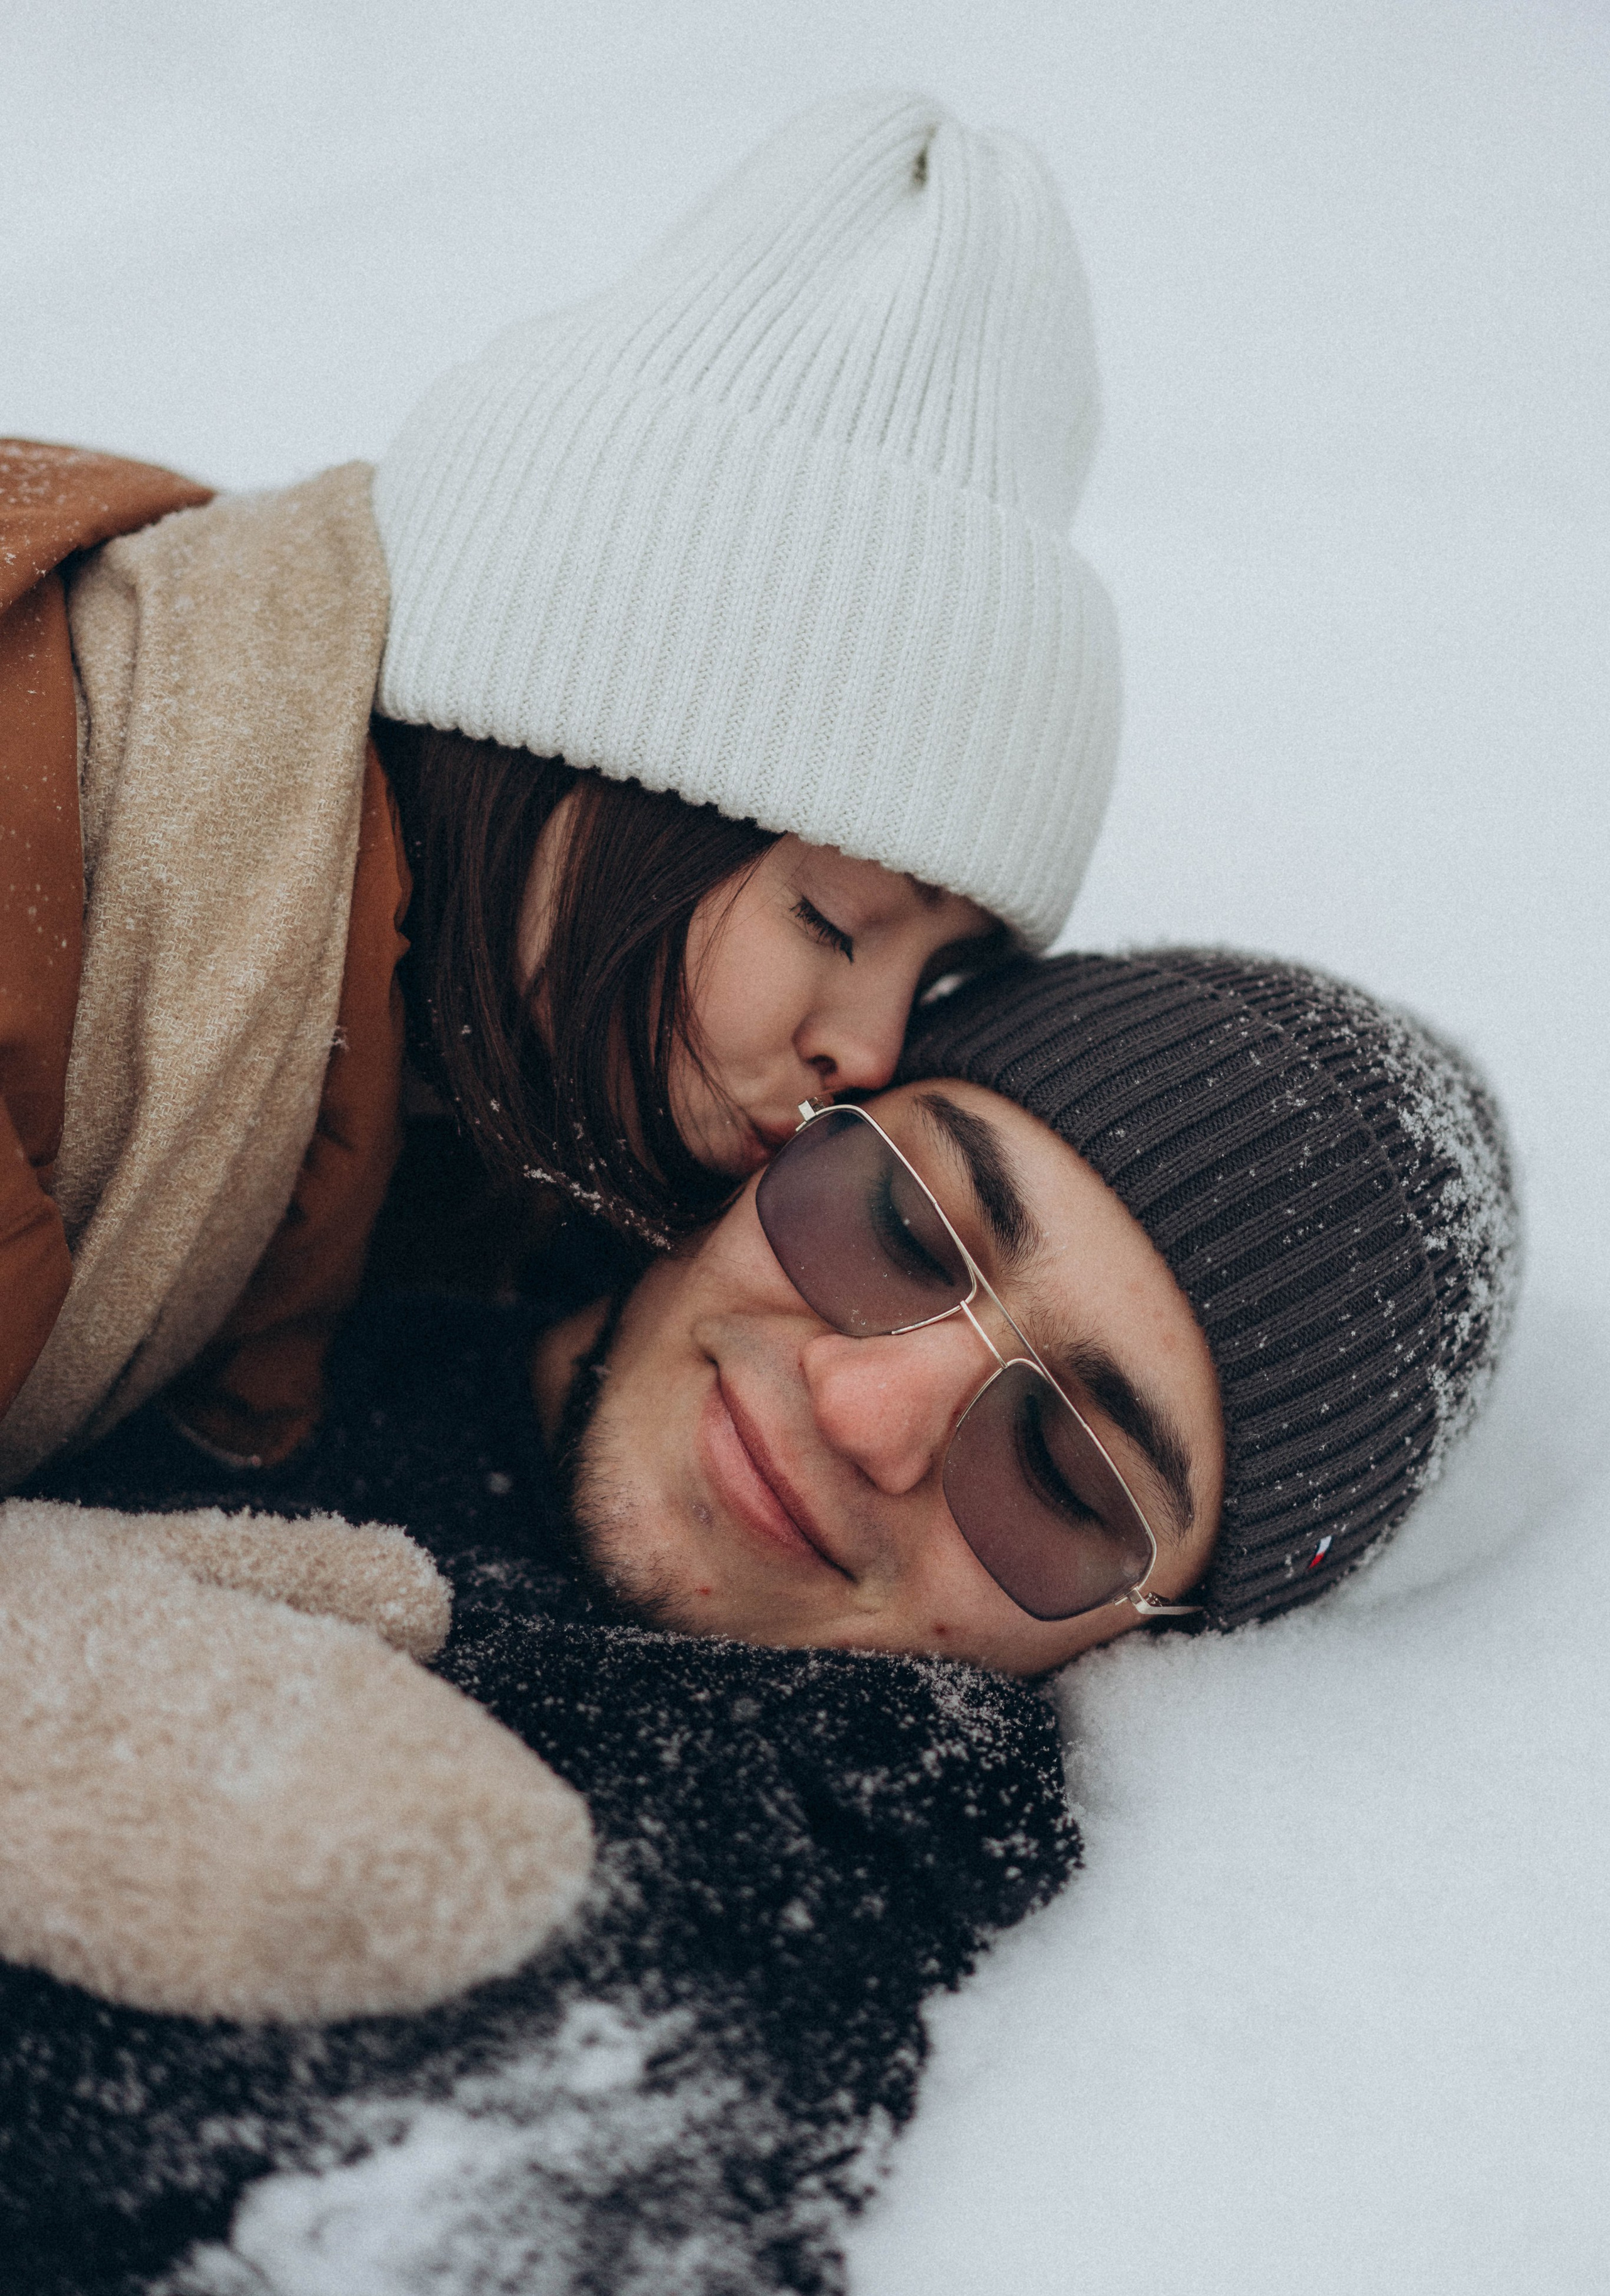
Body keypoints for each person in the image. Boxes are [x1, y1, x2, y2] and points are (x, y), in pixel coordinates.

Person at [0, 944, 1519, 2296]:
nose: (867, 1408)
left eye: (1059, 1472)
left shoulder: (768, 1833)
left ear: (1142, 1643)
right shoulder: (339, 1155)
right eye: (899, 1227)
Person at [0, 89, 1119, 1486]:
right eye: (832, 919)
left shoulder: (407, 1109)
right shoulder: (42, 868)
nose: (873, 1058)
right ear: (568, 749)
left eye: (932, 977)